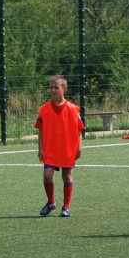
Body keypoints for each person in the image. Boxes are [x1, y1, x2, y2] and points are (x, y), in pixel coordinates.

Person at [36, 75, 84, 217]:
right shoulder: (43, 109)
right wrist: (40, 148)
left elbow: (79, 130)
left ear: (64, 89)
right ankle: (51, 202)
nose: (53, 90)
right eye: (51, 87)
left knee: (67, 176)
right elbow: (40, 130)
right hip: (50, 149)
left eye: (56, 87)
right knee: (47, 176)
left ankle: (66, 206)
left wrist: (79, 148)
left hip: (67, 149)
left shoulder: (73, 109)